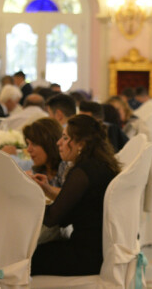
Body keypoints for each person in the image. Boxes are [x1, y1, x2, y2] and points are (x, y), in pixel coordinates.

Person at [30, 115, 121, 276]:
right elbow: (74, 209)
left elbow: (52, 219)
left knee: (23, 258)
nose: (59, 143)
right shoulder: (102, 165)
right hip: (101, 252)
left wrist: (24, 200)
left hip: (85, 257)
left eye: (65, 138)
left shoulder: (82, 172)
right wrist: (48, 189)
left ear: (81, 144)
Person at [23, 117, 64, 187]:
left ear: (49, 144)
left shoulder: (65, 167)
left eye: (34, 144)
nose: (28, 150)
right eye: (28, 144)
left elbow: (69, 193)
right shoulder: (38, 170)